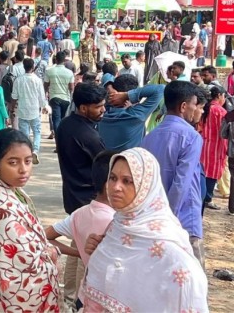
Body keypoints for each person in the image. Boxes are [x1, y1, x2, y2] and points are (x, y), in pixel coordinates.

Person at [81, 148, 208, 313]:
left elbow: (188, 288)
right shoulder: (117, 227)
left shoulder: (165, 243)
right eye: (112, 178)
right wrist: (97, 249)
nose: (116, 187)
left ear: (145, 187)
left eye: (127, 181)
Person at [0, 128, 60, 311]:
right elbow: (22, 270)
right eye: (13, 162)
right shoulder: (2, 210)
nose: (23, 169)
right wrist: (52, 253)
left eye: (28, 161)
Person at [141, 81, 205, 267]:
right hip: (182, 216)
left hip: (153, 217)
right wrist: (170, 218)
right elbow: (181, 182)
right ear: (184, 106)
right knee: (191, 275)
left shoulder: (150, 137)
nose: (198, 110)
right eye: (195, 105)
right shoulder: (191, 137)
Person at [44, 150, 117, 308]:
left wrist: (80, 253)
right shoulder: (114, 222)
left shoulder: (81, 214)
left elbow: (44, 237)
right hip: (106, 301)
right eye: (124, 180)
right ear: (109, 184)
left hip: (85, 297)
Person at [56, 82, 107, 213]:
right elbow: (107, 168)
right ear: (83, 108)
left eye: (103, 105)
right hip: (90, 202)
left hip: (71, 199)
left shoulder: (64, 124)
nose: (103, 110)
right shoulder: (89, 136)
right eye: (98, 107)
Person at [100, 75, 165, 150]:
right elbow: (161, 89)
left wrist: (110, 89)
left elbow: (106, 76)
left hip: (104, 160)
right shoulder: (135, 116)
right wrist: (127, 95)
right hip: (130, 160)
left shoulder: (102, 113)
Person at [10, 58, 47, 163]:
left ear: (24, 67)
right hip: (34, 110)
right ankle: (35, 150)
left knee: (24, 134)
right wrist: (44, 106)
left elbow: (14, 97)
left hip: (22, 110)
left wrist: (12, 109)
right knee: (37, 132)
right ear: (33, 66)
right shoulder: (37, 80)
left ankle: (27, 151)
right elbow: (41, 96)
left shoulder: (18, 80)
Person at [200, 85, 228, 211]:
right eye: (224, 96)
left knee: (203, 171)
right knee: (212, 172)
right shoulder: (220, 111)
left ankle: (202, 196)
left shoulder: (204, 108)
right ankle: (208, 198)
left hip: (203, 145)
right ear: (219, 96)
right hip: (216, 146)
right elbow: (225, 132)